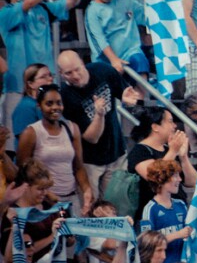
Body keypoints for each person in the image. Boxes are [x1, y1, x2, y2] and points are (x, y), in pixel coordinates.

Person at [0, 0, 81, 146]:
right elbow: (27, 4)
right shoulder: (5, 13)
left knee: (49, 142)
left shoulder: (43, 8)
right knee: (18, 145)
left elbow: (70, 1)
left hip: (47, 86)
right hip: (18, 88)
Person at [57, 50, 140, 198]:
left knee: (117, 207)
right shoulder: (65, 95)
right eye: (69, 73)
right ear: (61, 74)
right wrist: (99, 115)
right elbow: (91, 138)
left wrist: (128, 100)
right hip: (89, 162)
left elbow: (125, 94)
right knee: (92, 212)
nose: (75, 76)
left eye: (77, 69)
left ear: (84, 64)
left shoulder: (102, 70)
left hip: (116, 153)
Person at [16, 84, 92, 215]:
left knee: (76, 235)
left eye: (59, 103)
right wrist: (47, 194)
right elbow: (22, 171)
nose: (55, 107)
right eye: (49, 103)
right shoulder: (31, 132)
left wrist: (87, 190)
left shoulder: (72, 128)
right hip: (44, 200)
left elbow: (78, 166)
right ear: (39, 106)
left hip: (72, 197)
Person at [126, 106, 197, 216]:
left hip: (177, 210)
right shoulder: (140, 151)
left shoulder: (169, 149)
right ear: (155, 127)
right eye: (170, 121)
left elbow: (192, 182)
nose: (174, 126)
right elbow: (154, 176)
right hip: (153, 214)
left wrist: (183, 157)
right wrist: (173, 151)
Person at [84, 0, 149, 75]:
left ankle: (141, 92)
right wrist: (114, 59)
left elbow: (146, 16)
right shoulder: (92, 11)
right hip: (106, 59)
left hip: (131, 53)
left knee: (140, 61)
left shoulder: (127, 2)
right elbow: (99, 39)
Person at [140, 160, 191, 263]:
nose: (180, 179)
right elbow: (148, 243)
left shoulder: (181, 205)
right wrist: (177, 235)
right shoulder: (150, 209)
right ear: (161, 179)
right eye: (175, 176)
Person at [11, 64, 54, 153]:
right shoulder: (25, 107)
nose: (50, 79)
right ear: (30, 84)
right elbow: (25, 143)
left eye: (50, 75)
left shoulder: (51, 103)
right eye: (43, 77)